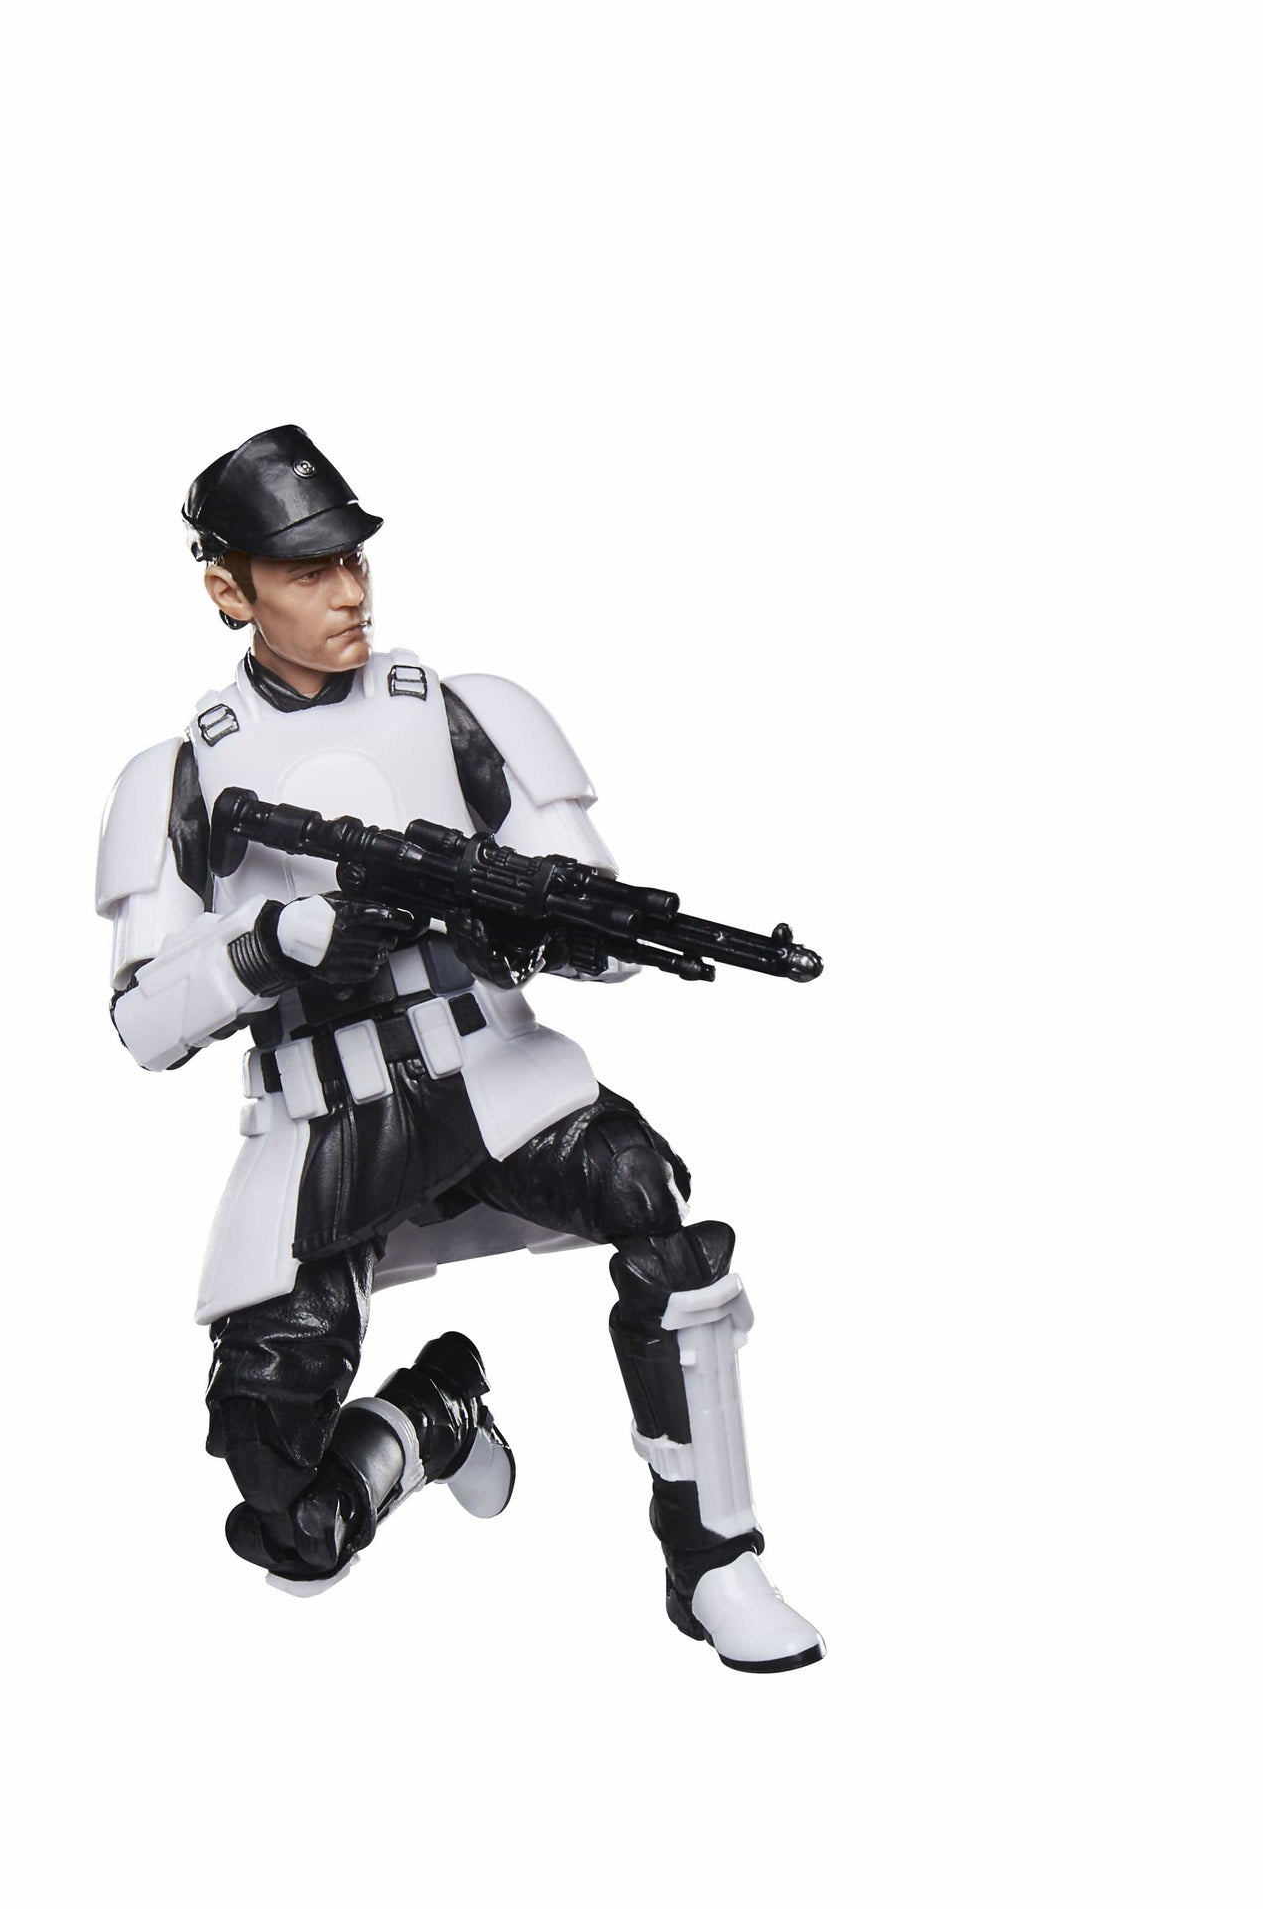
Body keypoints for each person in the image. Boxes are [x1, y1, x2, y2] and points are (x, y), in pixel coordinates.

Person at [94, 425, 824, 1668]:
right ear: (228, 588)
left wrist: (545, 930)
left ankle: (714, 1563)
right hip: (322, 1127)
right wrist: (272, 946)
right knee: (287, 1520)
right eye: (306, 570)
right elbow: (139, 1020)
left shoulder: (462, 713)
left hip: (490, 1075)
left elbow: (592, 909)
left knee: (658, 1215)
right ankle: (432, 1414)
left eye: (352, 560)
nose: (347, 591)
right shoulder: (177, 776)